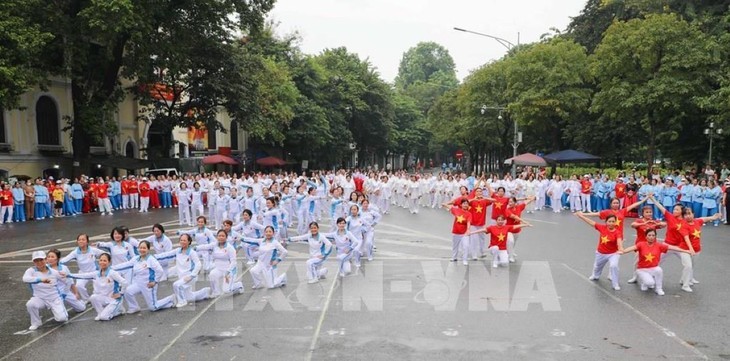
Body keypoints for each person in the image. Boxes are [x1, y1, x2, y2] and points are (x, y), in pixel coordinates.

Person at [620, 229, 692, 296]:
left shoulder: (658, 245)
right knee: (650, 283)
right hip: (642, 269)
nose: (651, 237)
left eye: (653, 235)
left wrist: (686, 251)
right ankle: (645, 283)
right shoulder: (641, 244)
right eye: (649, 235)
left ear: (655, 236)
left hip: (653, 268)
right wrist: (622, 251)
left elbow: (672, 247)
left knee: (659, 270)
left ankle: (658, 288)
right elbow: (631, 248)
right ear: (646, 236)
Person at [113, 240, 173, 313]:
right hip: (138, 284)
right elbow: (126, 265)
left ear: (148, 249)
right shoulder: (136, 259)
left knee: (153, 307)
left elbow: (160, 271)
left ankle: (171, 299)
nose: (142, 250)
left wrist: (155, 281)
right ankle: (134, 307)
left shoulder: (151, 259)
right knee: (128, 291)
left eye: (144, 248)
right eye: (140, 248)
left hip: (149, 285)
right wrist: (112, 268)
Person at [66, 253, 128, 320]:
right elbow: (83, 275)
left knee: (104, 317)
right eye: (101, 260)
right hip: (105, 298)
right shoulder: (96, 273)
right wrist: (68, 275)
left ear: (109, 262)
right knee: (93, 297)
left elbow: (124, 282)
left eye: (105, 261)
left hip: (114, 300)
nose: (102, 262)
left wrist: (121, 293)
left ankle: (119, 310)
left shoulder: (112, 273)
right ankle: (100, 313)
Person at [156, 234, 210, 307]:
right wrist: (154, 257)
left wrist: (192, 275)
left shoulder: (192, 252)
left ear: (189, 242)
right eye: (181, 240)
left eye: (184, 240)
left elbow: (198, 264)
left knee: (176, 285)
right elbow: (166, 255)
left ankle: (182, 301)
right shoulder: (178, 251)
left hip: (190, 277)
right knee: (190, 297)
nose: (182, 242)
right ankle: (205, 292)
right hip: (182, 277)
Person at [574, 212, 624, 291]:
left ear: (615, 222)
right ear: (606, 222)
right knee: (597, 266)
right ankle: (595, 275)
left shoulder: (617, 232)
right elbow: (591, 222)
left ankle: (615, 283)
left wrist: (621, 248)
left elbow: (619, 241)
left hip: (613, 253)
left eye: (613, 221)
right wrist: (581, 216)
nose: (611, 223)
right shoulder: (602, 227)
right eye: (609, 221)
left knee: (613, 266)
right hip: (601, 253)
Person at [23, 251, 69, 330]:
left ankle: (58, 310)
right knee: (30, 304)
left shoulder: (54, 272)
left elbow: (67, 282)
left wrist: (64, 293)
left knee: (62, 319)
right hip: (40, 298)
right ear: (33, 262)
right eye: (36, 260)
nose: (39, 262)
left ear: (45, 260)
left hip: (54, 299)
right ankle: (36, 323)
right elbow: (25, 279)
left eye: (41, 260)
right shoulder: (31, 271)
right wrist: (40, 280)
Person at [195, 230, 244, 296]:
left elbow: (234, 262)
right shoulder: (214, 245)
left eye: (223, 236)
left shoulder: (230, 248)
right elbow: (205, 246)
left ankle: (238, 285)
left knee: (226, 290)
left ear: (226, 237)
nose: (221, 237)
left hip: (229, 271)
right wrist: (196, 248)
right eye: (219, 236)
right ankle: (216, 292)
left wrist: (228, 271)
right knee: (212, 274)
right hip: (219, 269)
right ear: (217, 237)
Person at [60, 234, 105, 301]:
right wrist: (53, 262)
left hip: (95, 272)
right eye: (79, 240)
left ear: (87, 241)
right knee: (79, 286)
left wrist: (102, 263)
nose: (81, 241)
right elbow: (64, 260)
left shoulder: (93, 250)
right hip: (83, 273)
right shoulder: (75, 252)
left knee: (100, 288)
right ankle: (87, 299)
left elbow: (105, 254)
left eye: (83, 239)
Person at [45, 249, 86, 314]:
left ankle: (79, 302)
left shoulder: (64, 268)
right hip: (53, 294)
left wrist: (76, 293)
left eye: (52, 257)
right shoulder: (44, 268)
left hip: (65, 292)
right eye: (48, 257)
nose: (50, 259)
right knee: (61, 315)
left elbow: (71, 282)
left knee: (81, 308)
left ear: (58, 258)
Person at [444, 198, 472, 266]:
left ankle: (465, 259)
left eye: (467, 204)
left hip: (464, 233)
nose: (465, 205)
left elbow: (469, 222)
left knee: (466, 246)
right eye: (464, 204)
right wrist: (445, 204)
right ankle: (454, 257)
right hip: (456, 232)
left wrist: (468, 229)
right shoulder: (456, 210)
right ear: (461, 205)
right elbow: (446, 205)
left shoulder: (469, 214)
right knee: (455, 246)